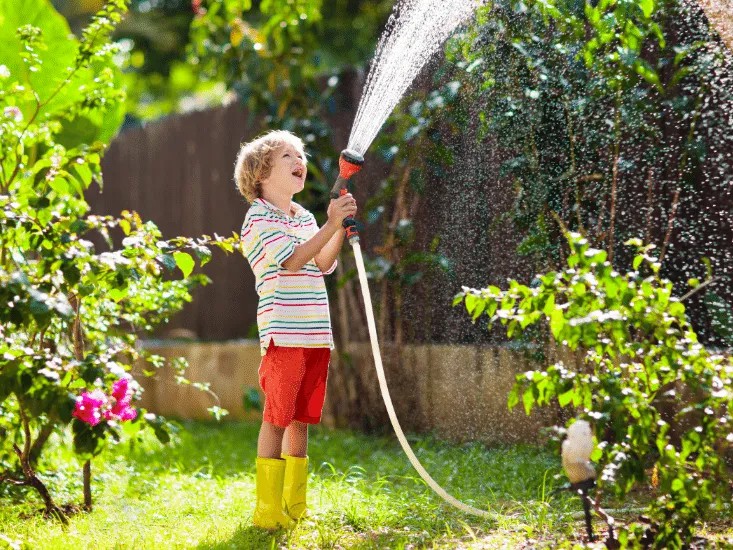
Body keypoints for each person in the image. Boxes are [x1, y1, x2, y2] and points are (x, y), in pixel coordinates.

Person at [235, 130, 357, 529]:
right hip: (284, 333)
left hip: (314, 332)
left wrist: (337, 227)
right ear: (261, 174)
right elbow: (290, 260)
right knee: (276, 416)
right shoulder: (258, 217)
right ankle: (267, 510)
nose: (298, 159)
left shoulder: (303, 217)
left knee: (300, 418)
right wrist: (330, 222)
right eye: (287, 154)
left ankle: (295, 503)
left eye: (300, 154)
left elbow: (321, 263)